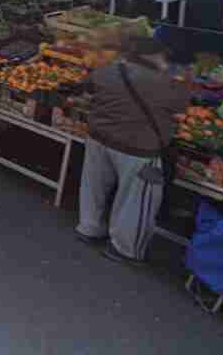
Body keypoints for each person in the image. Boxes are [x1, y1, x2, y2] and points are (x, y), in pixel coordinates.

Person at [76, 35, 186, 264]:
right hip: (138, 147)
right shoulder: (164, 82)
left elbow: (87, 90)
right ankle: (124, 248)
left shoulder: (108, 70)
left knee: (93, 186)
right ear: (155, 56)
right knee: (134, 200)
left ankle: (89, 227)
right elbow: (180, 105)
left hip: (99, 137)